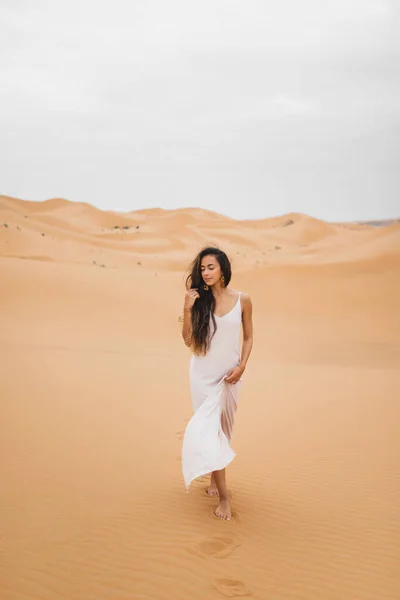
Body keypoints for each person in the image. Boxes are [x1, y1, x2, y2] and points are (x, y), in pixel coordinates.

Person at [181, 247, 253, 520]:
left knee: (224, 428)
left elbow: (247, 337)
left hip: (230, 375)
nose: (205, 273)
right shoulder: (198, 301)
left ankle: (215, 477)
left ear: (223, 269)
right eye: (202, 269)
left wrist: (242, 366)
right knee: (211, 432)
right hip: (202, 375)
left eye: (210, 267)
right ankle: (225, 497)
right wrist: (187, 308)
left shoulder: (243, 300)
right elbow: (188, 340)